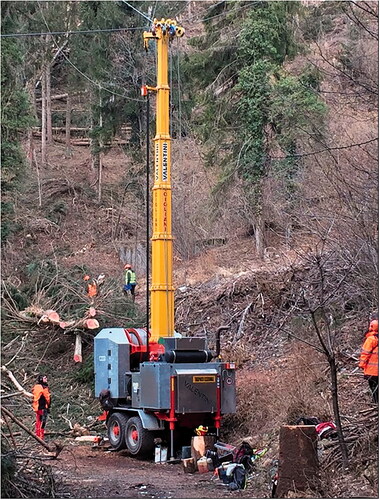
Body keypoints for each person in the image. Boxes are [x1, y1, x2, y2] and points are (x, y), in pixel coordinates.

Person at [359, 320, 378, 403]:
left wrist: (361, 365)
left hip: (372, 370)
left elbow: (365, 353)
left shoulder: (371, 339)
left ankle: (376, 403)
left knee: (374, 387)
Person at [32, 374, 51, 440]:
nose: (46, 379)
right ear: (41, 379)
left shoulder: (39, 386)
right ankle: (40, 437)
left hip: (41, 407)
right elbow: (46, 397)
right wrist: (48, 406)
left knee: (40, 421)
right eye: (45, 378)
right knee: (41, 422)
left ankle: (39, 436)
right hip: (42, 407)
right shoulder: (41, 387)